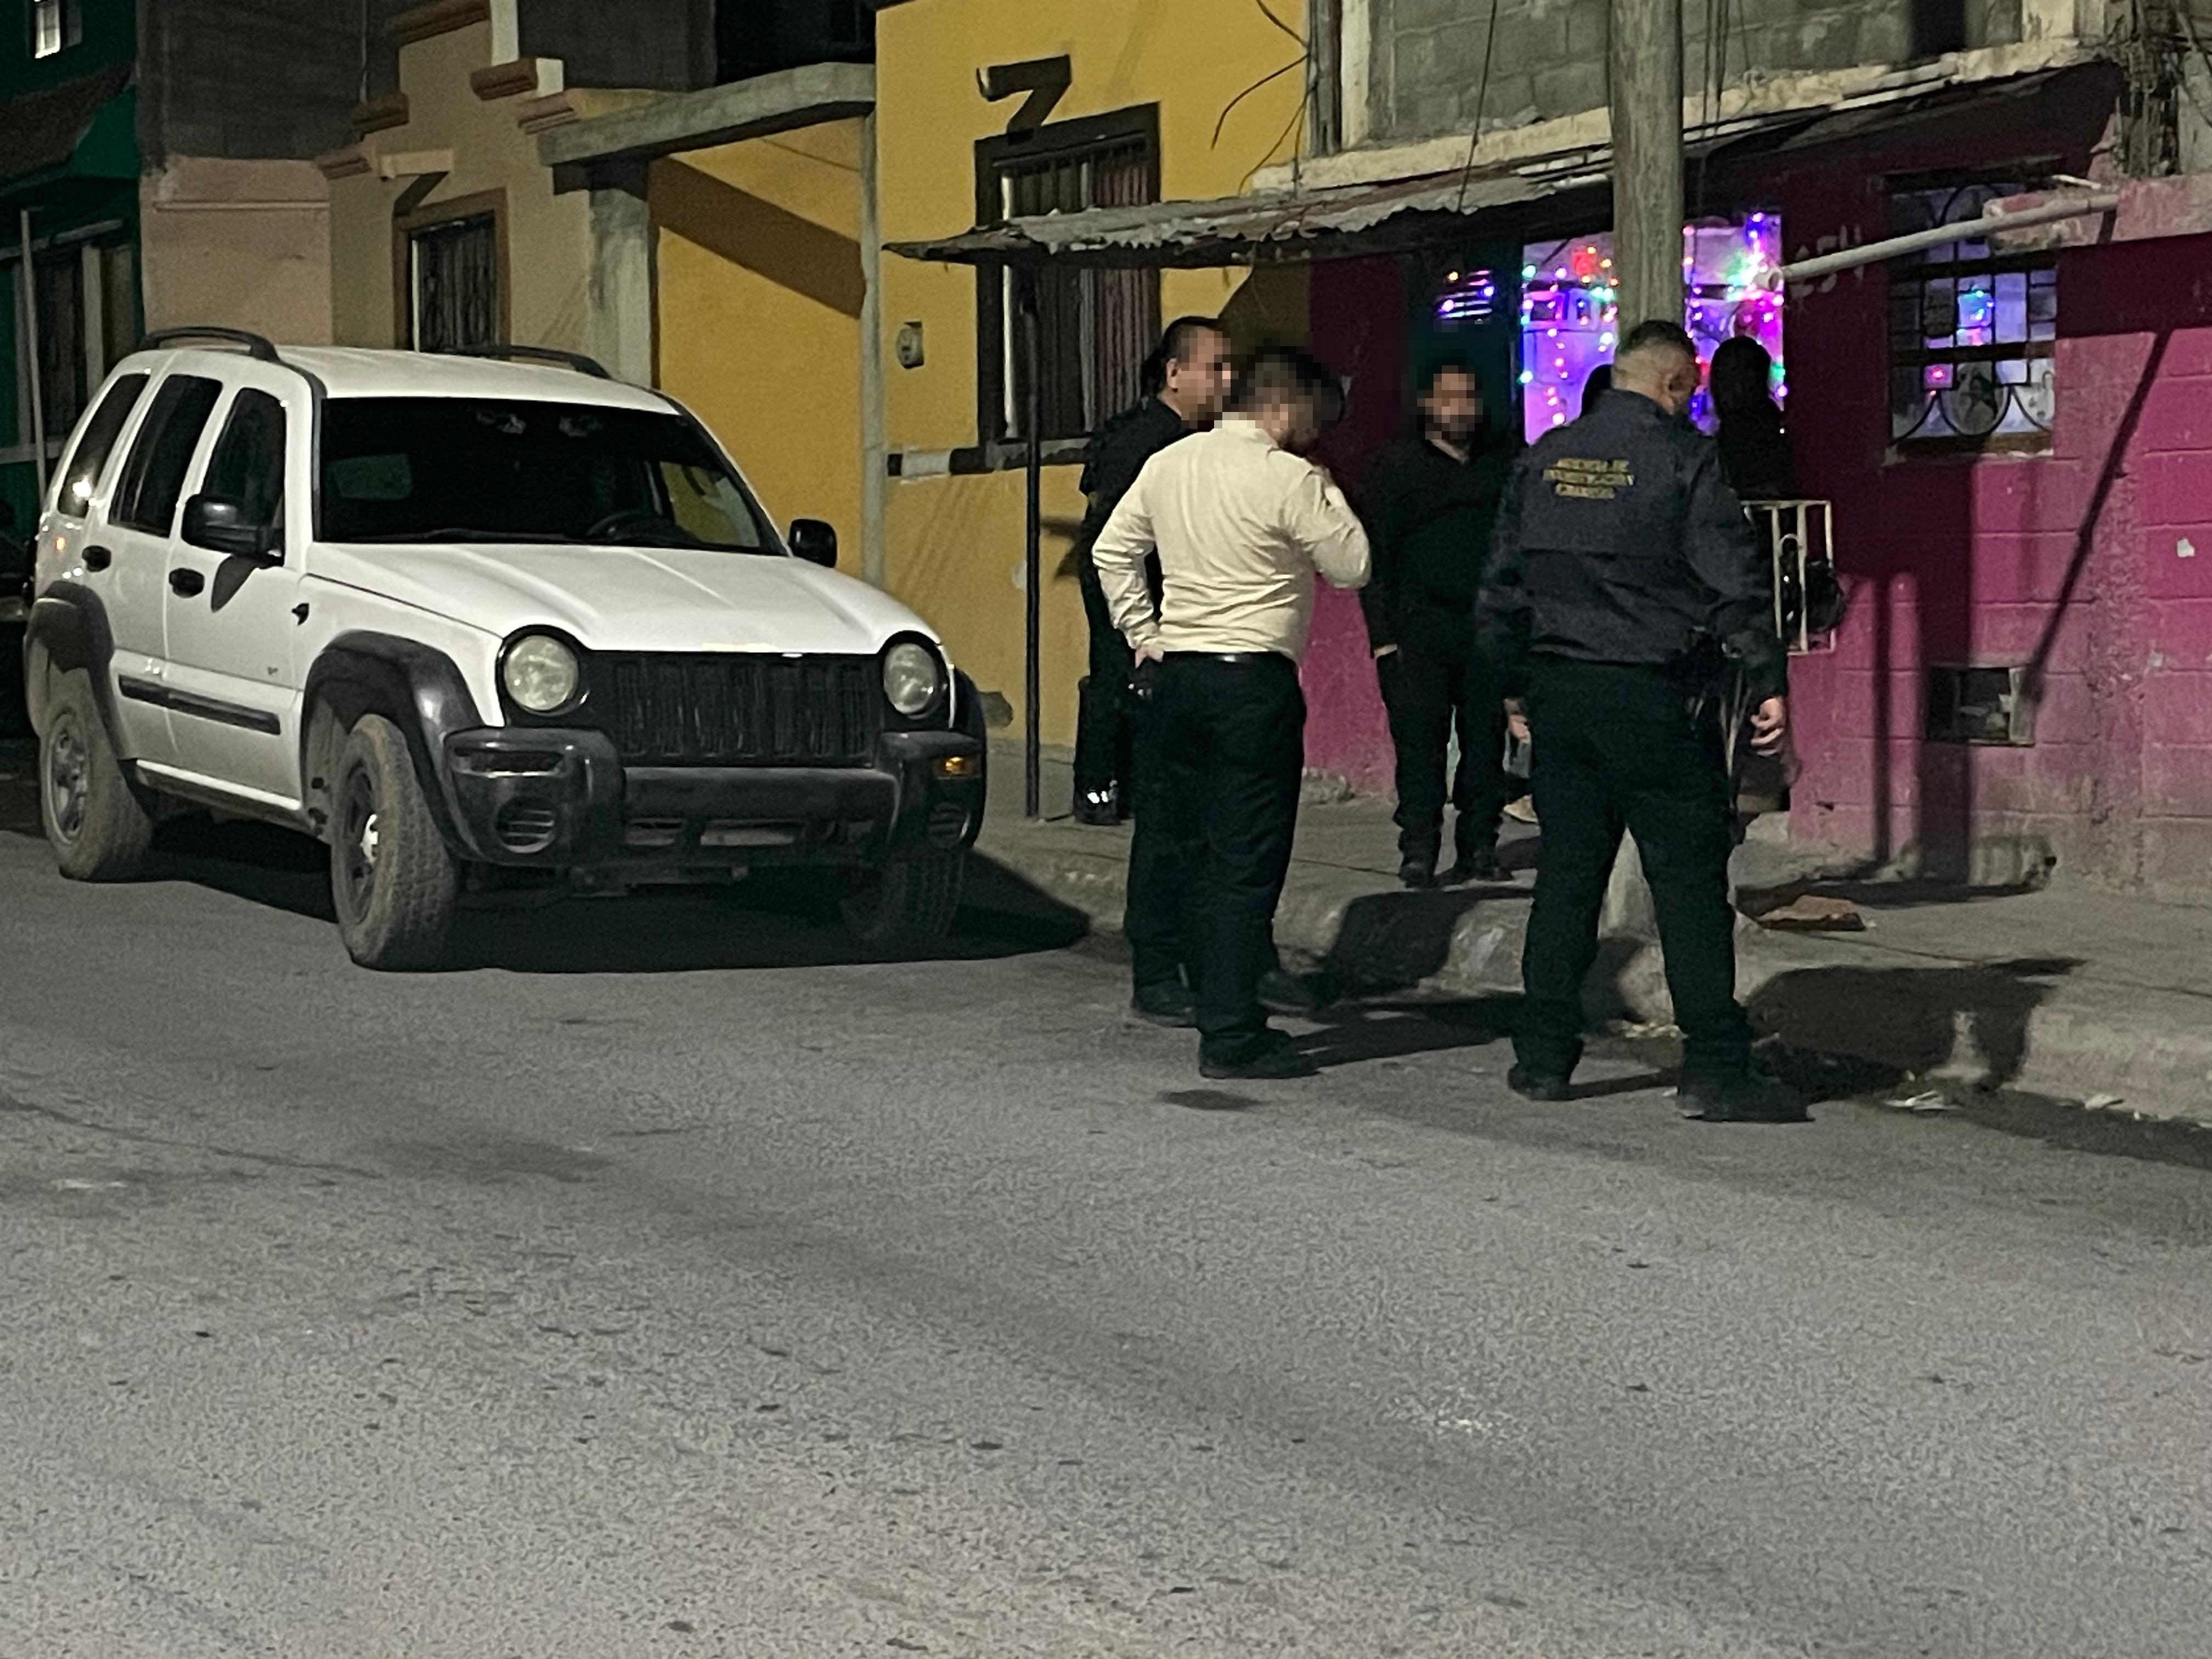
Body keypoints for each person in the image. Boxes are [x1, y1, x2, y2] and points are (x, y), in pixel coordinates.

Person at [1477, 319, 1802, 1123]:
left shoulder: (1546, 458)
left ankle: (1543, 1055)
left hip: (1562, 695)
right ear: (1675, 384)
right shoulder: (1685, 460)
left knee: (1567, 877)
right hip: (1655, 697)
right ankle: (1714, 1067)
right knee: (1687, 884)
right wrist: (1766, 679)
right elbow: (1733, 580)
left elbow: (1501, 588)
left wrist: (1512, 688)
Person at [1094, 347, 1370, 1080]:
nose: (1317, 431)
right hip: (1252, 682)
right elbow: (1352, 565)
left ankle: (1184, 981)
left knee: (1185, 842)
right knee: (1245, 860)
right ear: (1285, 404)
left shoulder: (1171, 464)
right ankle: (1231, 1028)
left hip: (1179, 674)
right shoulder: (1288, 478)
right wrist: (1330, 492)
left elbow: (1113, 551)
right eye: (1314, 414)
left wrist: (1143, 633)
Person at [1359, 358, 1517, 888]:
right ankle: (1419, 849)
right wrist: (1383, 638)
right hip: (1418, 628)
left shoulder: (1501, 463)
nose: (1460, 409)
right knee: (1420, 746)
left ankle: (1480, 846)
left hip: (1485, 628)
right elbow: (1374, 558)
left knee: (1485, 744)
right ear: (1427, 404)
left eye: (1468, 397)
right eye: (1448, 398)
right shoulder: (1398, 467)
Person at [1071, 317, 1234, 826]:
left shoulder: (1188, 436)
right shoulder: (1147, 439)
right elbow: (1112, 529)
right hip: (1131, 579)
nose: (1226, 380)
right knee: (1122, 678)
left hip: (1162, 580)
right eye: (1215, 368)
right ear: (1175, 373)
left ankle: (1131, 788)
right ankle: (1102, 788)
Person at [1709, 336, 1793, 500]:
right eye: (1720, 375)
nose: (1722, 386)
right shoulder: (1769, 422)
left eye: (1734, 374)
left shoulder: (1745, 430)